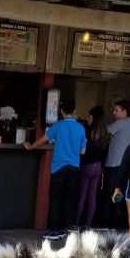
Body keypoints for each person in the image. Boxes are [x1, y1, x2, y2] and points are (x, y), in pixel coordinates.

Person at [23, 98, 86, 238]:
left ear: (61, 111)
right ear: (75, 111)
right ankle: (65, 229)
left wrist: (30, 146)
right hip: (74, 167)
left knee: (56, 199)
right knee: (69, 199)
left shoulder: (58, 126)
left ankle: (55, 230)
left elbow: (42, 140)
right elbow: (83, 152)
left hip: (59, 167)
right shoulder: (81, 128)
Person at [102, 99, 130, 229]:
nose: (113, 112)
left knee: (110, 193)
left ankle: (109, 222)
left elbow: (103, 132)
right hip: (126, 165)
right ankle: (119, 222)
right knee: (121, 194)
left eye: (116, 110)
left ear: (124, 111)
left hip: (114, 163)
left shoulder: (120, 123)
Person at [77, 105, 109, 228]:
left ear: (93, 118)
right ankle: (88, 224)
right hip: (98, 166)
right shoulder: (104, 133)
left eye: (89, 116)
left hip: (87, 166)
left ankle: (76, 222)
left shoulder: (86, 131)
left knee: (82, 195)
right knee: (92, 196)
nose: (87, 118)